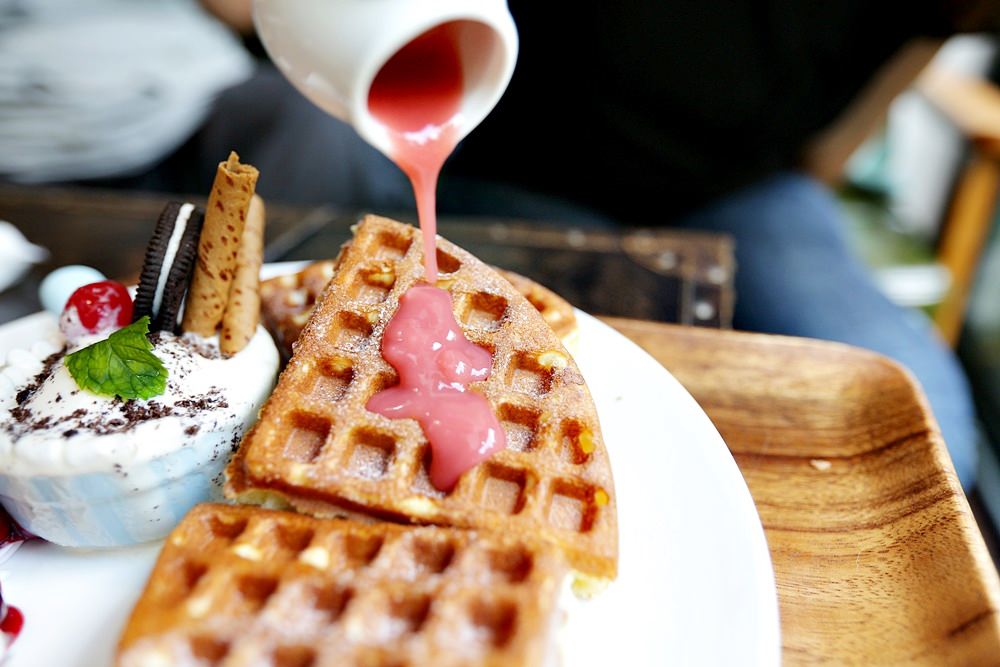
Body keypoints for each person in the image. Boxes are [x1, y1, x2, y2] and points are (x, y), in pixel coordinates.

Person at [5, 0, 996, 488]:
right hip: (501, 148)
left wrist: (792, 195)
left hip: (739, 189)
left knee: (907, 366)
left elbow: (849, 121)